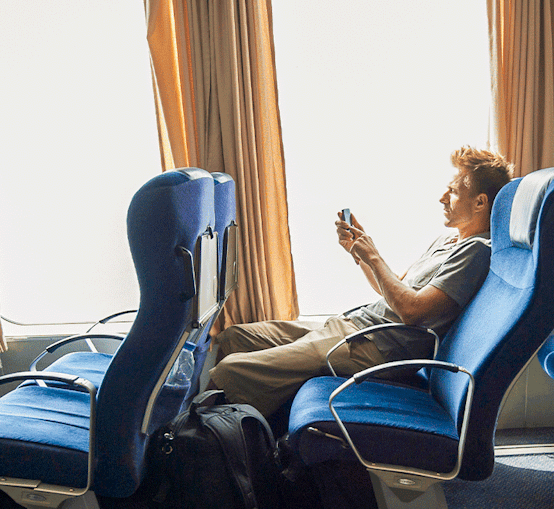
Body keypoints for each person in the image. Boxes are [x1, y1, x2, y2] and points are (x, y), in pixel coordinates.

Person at [208, 146, 514, 418]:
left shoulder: (476, 251)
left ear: (480, 203)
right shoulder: (447, 240)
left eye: (453, 191)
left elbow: (412, 311)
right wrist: (359, 253)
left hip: (373, 348)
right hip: (355, 327)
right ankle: (239, 431)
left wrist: (375, 256)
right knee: (235, 338)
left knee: (231, 371)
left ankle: (208, 446)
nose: (442, 198)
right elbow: (394, 290)